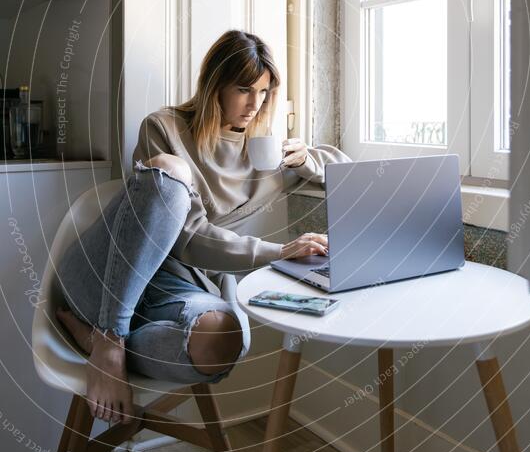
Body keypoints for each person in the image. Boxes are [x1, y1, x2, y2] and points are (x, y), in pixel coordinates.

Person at [56, 30, 350, 426]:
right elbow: (188, 237)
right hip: (112, 271)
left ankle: (99, 339)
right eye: (244, 89)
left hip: (182, 288)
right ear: (215, 85)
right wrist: (277, 251)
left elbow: (351, 174)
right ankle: (109, 340)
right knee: (169, 171)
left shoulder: (266, 151)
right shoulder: (164, 128)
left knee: (225, 340)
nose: (254, 104)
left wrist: (308, 161)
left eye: (263, 92)